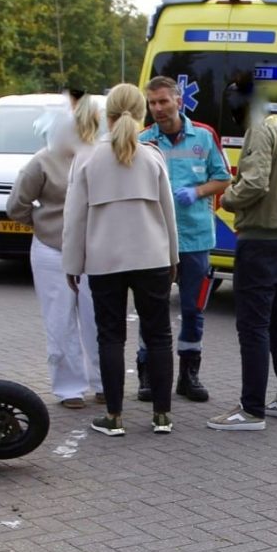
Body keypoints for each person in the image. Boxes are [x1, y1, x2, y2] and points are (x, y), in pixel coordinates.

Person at [63, 83, 178, 436]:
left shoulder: (86, 158)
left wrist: (72, 264)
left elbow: (74, 218)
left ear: (105, 116)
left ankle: (113, 417)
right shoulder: (153, 156)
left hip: (104, 259)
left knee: (110, 337)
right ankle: (162, 415)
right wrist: (172, 258)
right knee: (159, 335)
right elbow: (168, 213)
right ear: (141, 113)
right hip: (152, 256)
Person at [207, 83, 277, 431]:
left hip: (259, 240)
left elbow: (254, 183)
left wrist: (228, 198)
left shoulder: (259, 132)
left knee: (253, 326)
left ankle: (251, 410)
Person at [137, 76, 231, 402]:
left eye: (163, 101)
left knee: (193, 309)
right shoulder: (143, 140)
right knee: (153, 308)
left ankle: (189, 375)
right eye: (152, 103)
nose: (158, 109)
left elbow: (223, 179)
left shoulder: (203, 137)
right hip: (154, 240)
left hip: (195, 239)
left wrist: (197, 191)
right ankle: (147, 373)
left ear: (179, 101)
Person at [7, 102, 103, 408]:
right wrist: (43, 224)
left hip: (95, 252)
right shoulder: (42, 161)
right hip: (53, 251)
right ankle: (69, 388)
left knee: (98, 320)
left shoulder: (102, 157)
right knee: (59, 322)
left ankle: (104, 382)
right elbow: (16, 205)